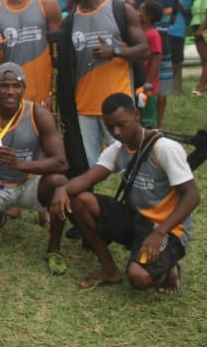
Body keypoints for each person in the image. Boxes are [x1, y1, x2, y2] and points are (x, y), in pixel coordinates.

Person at [50, 93, 199, 293]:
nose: (116, 132)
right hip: (136, 219)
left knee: (139, 278)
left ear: (136, 115)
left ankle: (169, 268)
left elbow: (192, 196)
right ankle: (109, 268)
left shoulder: (164, 148)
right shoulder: (117, 150)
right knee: (80, 200)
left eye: (121, 124)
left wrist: (160, 232)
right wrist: (62, 189)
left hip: (166, 228)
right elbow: (86, 180)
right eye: (110, 127)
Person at [0, 63, 69, 269]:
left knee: (58, 182)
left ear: (23, 88)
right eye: (4, 86)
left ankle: (54, 249)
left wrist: (19, 164)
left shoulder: (39, 114)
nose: (10, 91)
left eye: (16, 86)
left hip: (28, 183)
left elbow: (61, 162)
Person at [65, 0, 147, 167]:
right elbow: (72, 65)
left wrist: (115, 51)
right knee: (89, 166)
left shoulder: (120, 9)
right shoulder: (71, 19)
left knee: (130, 163)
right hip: (85, 104)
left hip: (118, 103)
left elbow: (143, 50)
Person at [137, 1, 163, 127]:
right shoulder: (140, 33)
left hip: (148, 86)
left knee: (148, 121)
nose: (137, 13)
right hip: (140, 83)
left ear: (147, 17)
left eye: (139, 11)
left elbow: (155, 60)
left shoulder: (152, 35)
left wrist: (148, 83)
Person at [167, 0, 192, 95]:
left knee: (175, 60)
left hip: (178, 32)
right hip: (164, 30)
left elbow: (187, 11)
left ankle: (170, 87)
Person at [190, 0, 207, 95]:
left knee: (206, 59)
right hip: (198, 28)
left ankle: (201, 86)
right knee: (203, 59)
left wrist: (200, 29)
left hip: (202, 29)